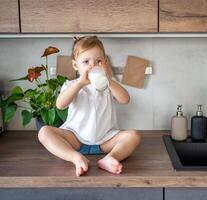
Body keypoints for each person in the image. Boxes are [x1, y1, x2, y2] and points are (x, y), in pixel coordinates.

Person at [38, 36, 141, 176]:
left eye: (98, 61)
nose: (92, 66)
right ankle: (76, 158)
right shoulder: (71, 85)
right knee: (44, 132)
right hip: (75, 139)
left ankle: (111, 158)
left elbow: (125, 99)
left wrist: (109, 80)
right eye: (86, 61)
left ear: (104, 63)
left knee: (133, 135)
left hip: (106, 140)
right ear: (75, 65)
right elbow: (60, 105)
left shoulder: (109, 85)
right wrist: (79, 84)